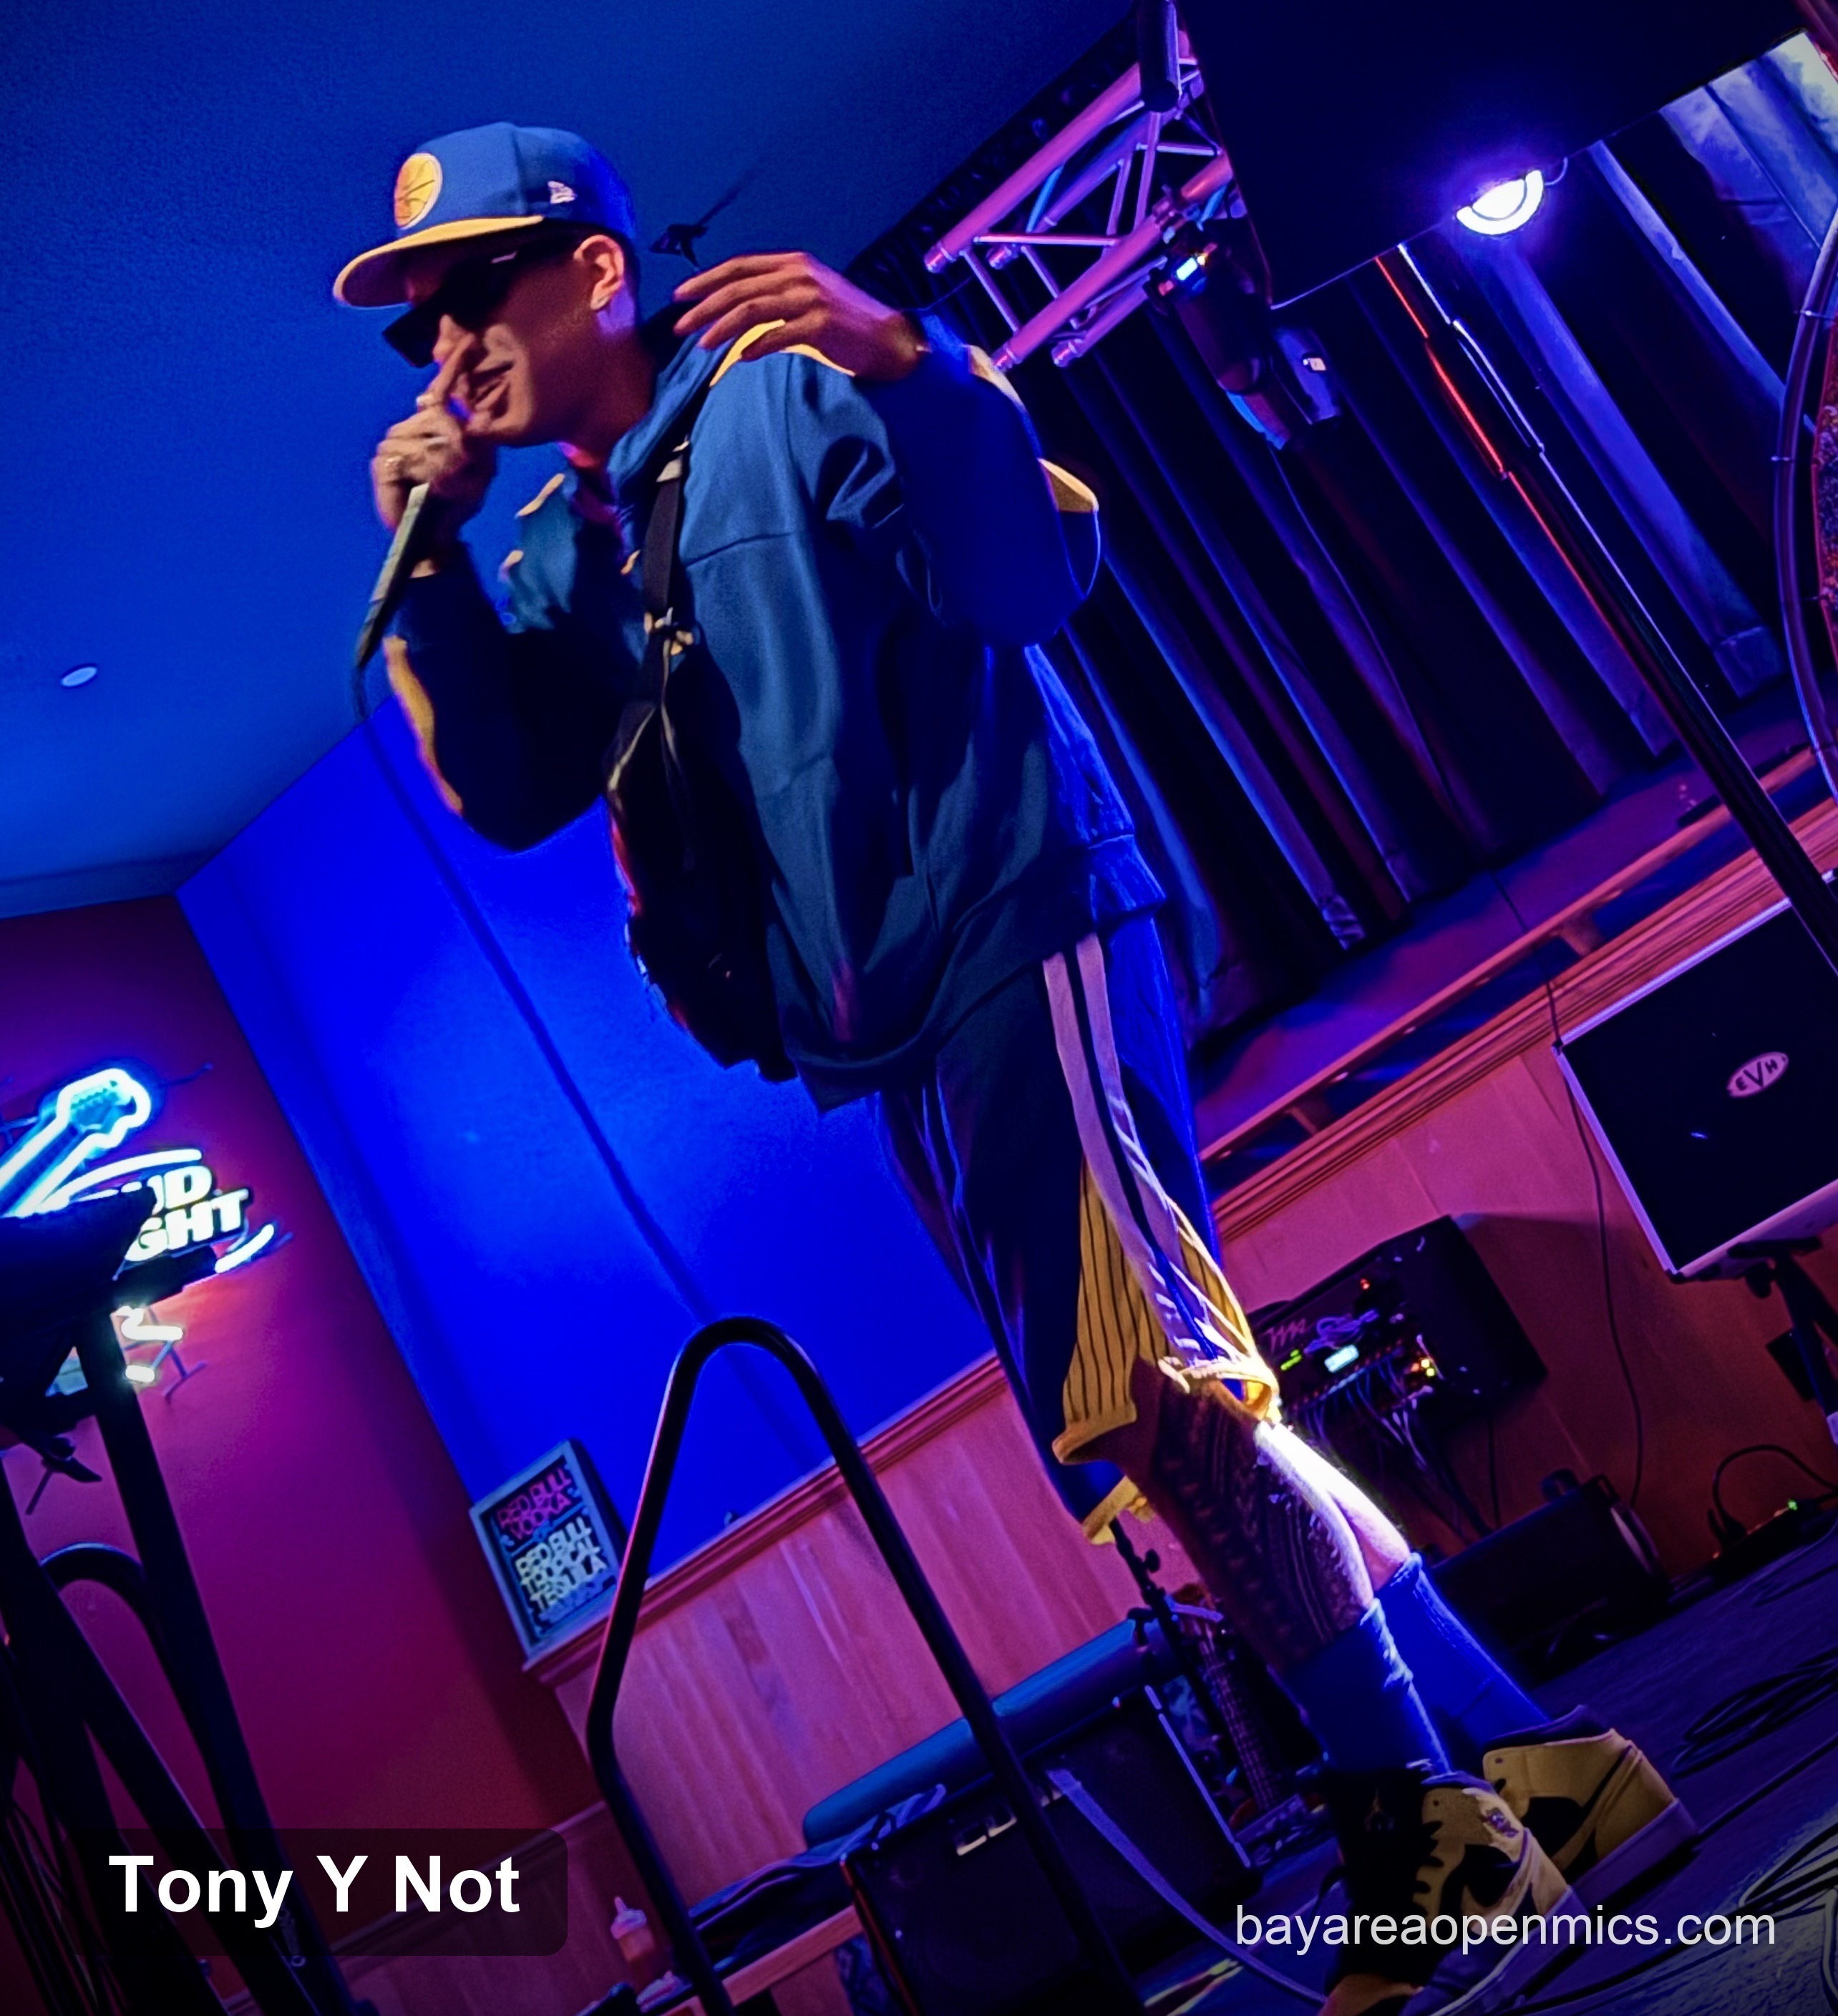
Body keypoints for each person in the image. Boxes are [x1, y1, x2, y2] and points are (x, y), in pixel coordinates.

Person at [339, 124, 1689, 2016]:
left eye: (474, 293)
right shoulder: (564, 544)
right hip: (888, 1017)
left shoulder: (785, 383)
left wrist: (916, 363)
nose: (446, 351)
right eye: (415, 334)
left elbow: (1030, 576)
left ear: (590, 269)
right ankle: (1530, 1765)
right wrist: (430, 581)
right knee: (1159, 1399)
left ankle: (1420, 1819)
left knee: (1144, 1393)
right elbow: (512, 790)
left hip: (1016, 923)